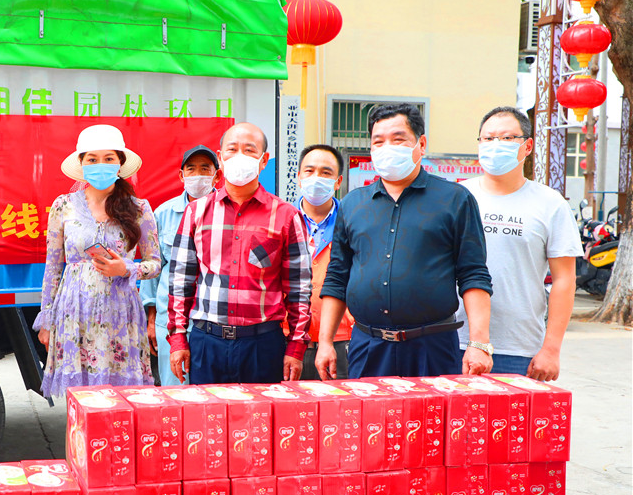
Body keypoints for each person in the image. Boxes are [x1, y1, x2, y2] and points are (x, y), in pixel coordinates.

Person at [317, 103, 494, 380]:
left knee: (432, 410)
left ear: (421, 144)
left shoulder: (454, 199)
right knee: (369, 410)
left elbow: (473, 274)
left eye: (398, 139)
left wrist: (479, 343)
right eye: (378, 141)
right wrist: (325, 342)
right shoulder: (353, 204)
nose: (387, 147)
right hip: (368, 346)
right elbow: (337, 276)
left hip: (432, 347)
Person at [167, 122, 312, 385]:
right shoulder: (196, 212)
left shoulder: (286, 216)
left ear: (264, 160)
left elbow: (299, 288)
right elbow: (180, 281)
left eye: (249, 150)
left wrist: (296, 347)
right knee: (207, 411)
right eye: (232, 149)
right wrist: (178, 338)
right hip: (206, 342)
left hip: (263, 345)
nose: (240, 156)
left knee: (262, 412)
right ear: (220, 157)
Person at [455, 106, 581, 381]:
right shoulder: (457, 196)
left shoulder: (550, 204)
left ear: (527, 146)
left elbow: (564, 280)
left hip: (518, 348)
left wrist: (551, 349)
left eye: (507, 138)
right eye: (488, 138)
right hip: (454, 341)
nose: (495, 145)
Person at [35, 124, 161, 396]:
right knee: (81, 399)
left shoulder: (139, 208)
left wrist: (127, 268)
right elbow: (53, 268)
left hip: (121, 314)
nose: (100, 165)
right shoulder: (63, 206)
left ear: (120, 163)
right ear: (82, 164)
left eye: (108, 158)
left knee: (121, 399)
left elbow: (155, 263)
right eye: (92, 159)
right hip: (74, 314)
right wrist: (47, 320)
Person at [141, 145, 221, 386]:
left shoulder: (227, 212)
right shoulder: (164, 214)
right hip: (170, 320)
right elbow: (153, 267)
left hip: (215, 321)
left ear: (217, 175)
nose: (198, 175)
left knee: (212, 392)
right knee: (175, 389)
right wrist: (151, 319)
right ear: (181, 175)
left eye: (205, 169)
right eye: (191, 169)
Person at [292, 144, 354, 380]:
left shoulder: (353, 222)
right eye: (309, 171)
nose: (316, 178)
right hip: (291, 343)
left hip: (342, 342)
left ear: (338, 181)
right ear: (299, 177)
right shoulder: (282, 221)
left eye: (326, 172)